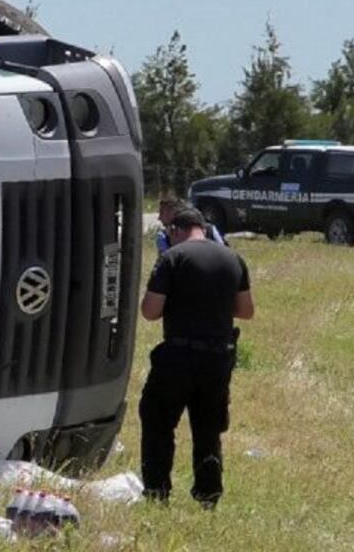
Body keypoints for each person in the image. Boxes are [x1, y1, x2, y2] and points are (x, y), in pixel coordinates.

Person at [139, 207, 254, 509]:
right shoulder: (232, 258)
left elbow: (150, 311)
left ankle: (157, 493)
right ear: (203, 227)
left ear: (176, 230)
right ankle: (208, 497)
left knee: (158, 423)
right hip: (217, 359)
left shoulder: (172, 258)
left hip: (178, 356)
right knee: (208, 429)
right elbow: (246, 310)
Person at [156, 196, 225, 254]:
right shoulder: (163, 237)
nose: (159, 218)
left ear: (173, 211)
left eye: (162, 212)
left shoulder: (210, 230)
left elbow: (223, 252)